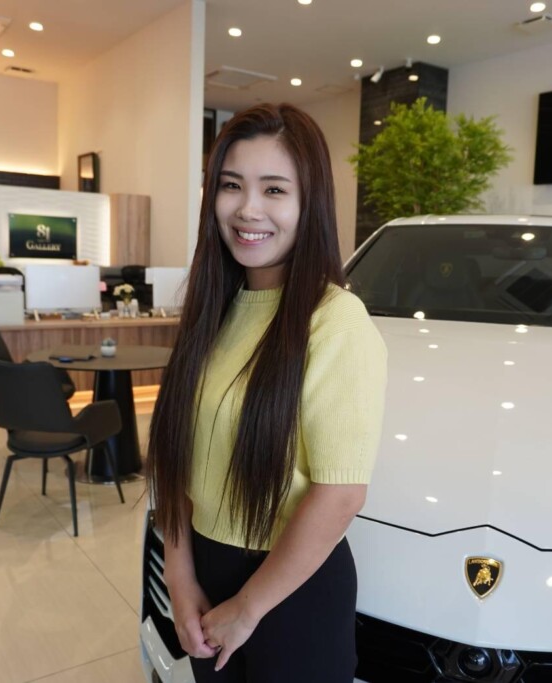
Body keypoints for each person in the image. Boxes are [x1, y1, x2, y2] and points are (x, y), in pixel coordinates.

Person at [146, 103, 388, 682]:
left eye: (274, 189)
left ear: (310, 203)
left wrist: (248, 608)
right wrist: (179, 579)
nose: (248, 209)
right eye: (231, 185)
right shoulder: (215, 309)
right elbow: (177, 459)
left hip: (290, 593)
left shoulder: (336, 320)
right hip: (203, 575)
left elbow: (340, 494)